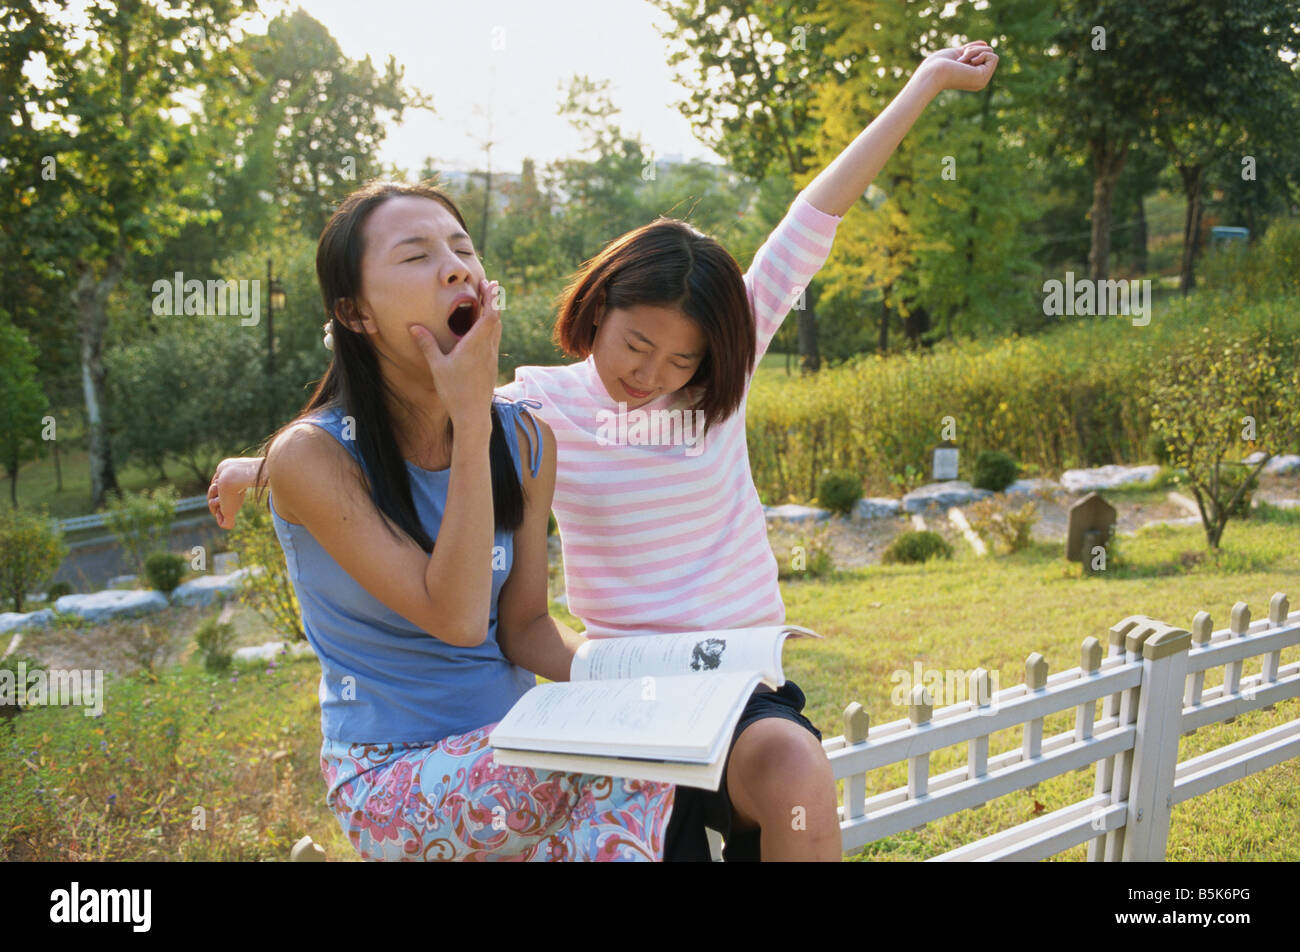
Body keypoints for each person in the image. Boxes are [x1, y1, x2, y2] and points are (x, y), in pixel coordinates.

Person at [210, 40, 999, 861]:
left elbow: (813, 219)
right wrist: (263, 467)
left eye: (681, 359)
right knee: (643, 770)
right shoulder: (536, 414)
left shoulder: (626, 405)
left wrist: (926, 80)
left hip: (722, 688)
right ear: (597, 310)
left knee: (782, 766)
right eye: (636, 345)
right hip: (569, 716)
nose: (653, 375)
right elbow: (371, 439)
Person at [253, 179, 673, 861]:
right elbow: (452, 614)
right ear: (355, 314)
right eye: (415, 256)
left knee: (653, 740)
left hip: (516, 748)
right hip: (391, 775)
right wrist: (473, 418)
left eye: (463, 248)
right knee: (623, 754)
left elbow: (527, 627)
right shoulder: (316, 456)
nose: (455, 267)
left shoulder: (527, 442)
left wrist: (640, 685)